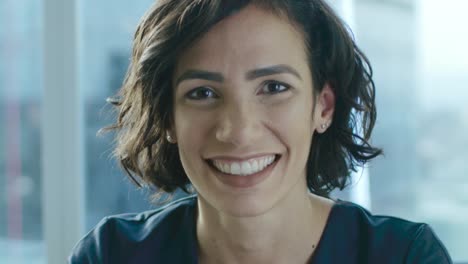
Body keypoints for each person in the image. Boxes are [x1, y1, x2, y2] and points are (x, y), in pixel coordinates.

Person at [69, 0, 453, 263]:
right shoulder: (111, 255)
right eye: (202, 93)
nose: (238, 131)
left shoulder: (403, 256)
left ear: (323, 106)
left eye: (273, 87)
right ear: (167, 116)